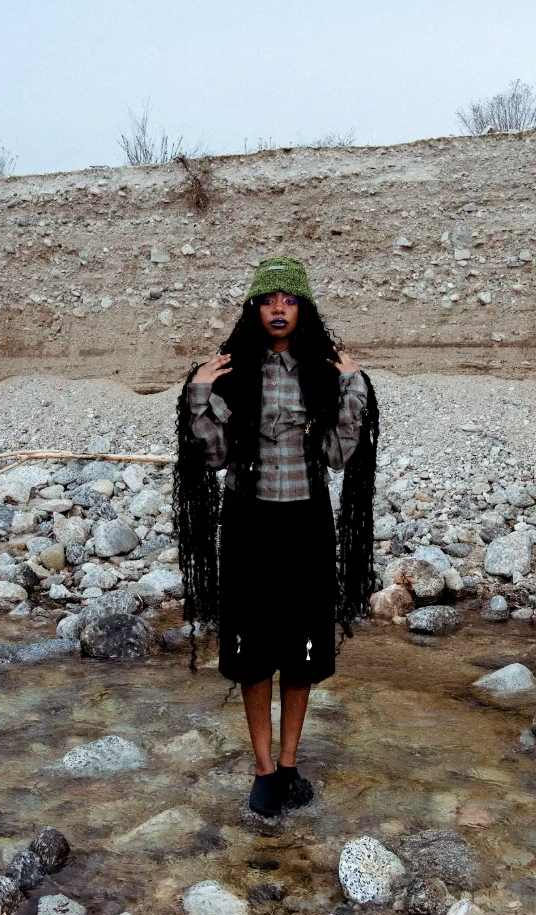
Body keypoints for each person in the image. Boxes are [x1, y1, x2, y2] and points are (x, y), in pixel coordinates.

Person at [173, 256, 378, 816]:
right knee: (253, 648)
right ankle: (263, 770)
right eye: (268, 301)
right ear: (254, 310)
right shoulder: (233, 374)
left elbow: (338, 456)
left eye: (289, 300)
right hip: (249, 522)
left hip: (307, 522)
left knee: (302, 646)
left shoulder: (322, 374)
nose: (279, 309)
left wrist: (353, 387)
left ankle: (290, 763)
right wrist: (199, 394)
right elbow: (214, 458)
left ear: (303, 309)